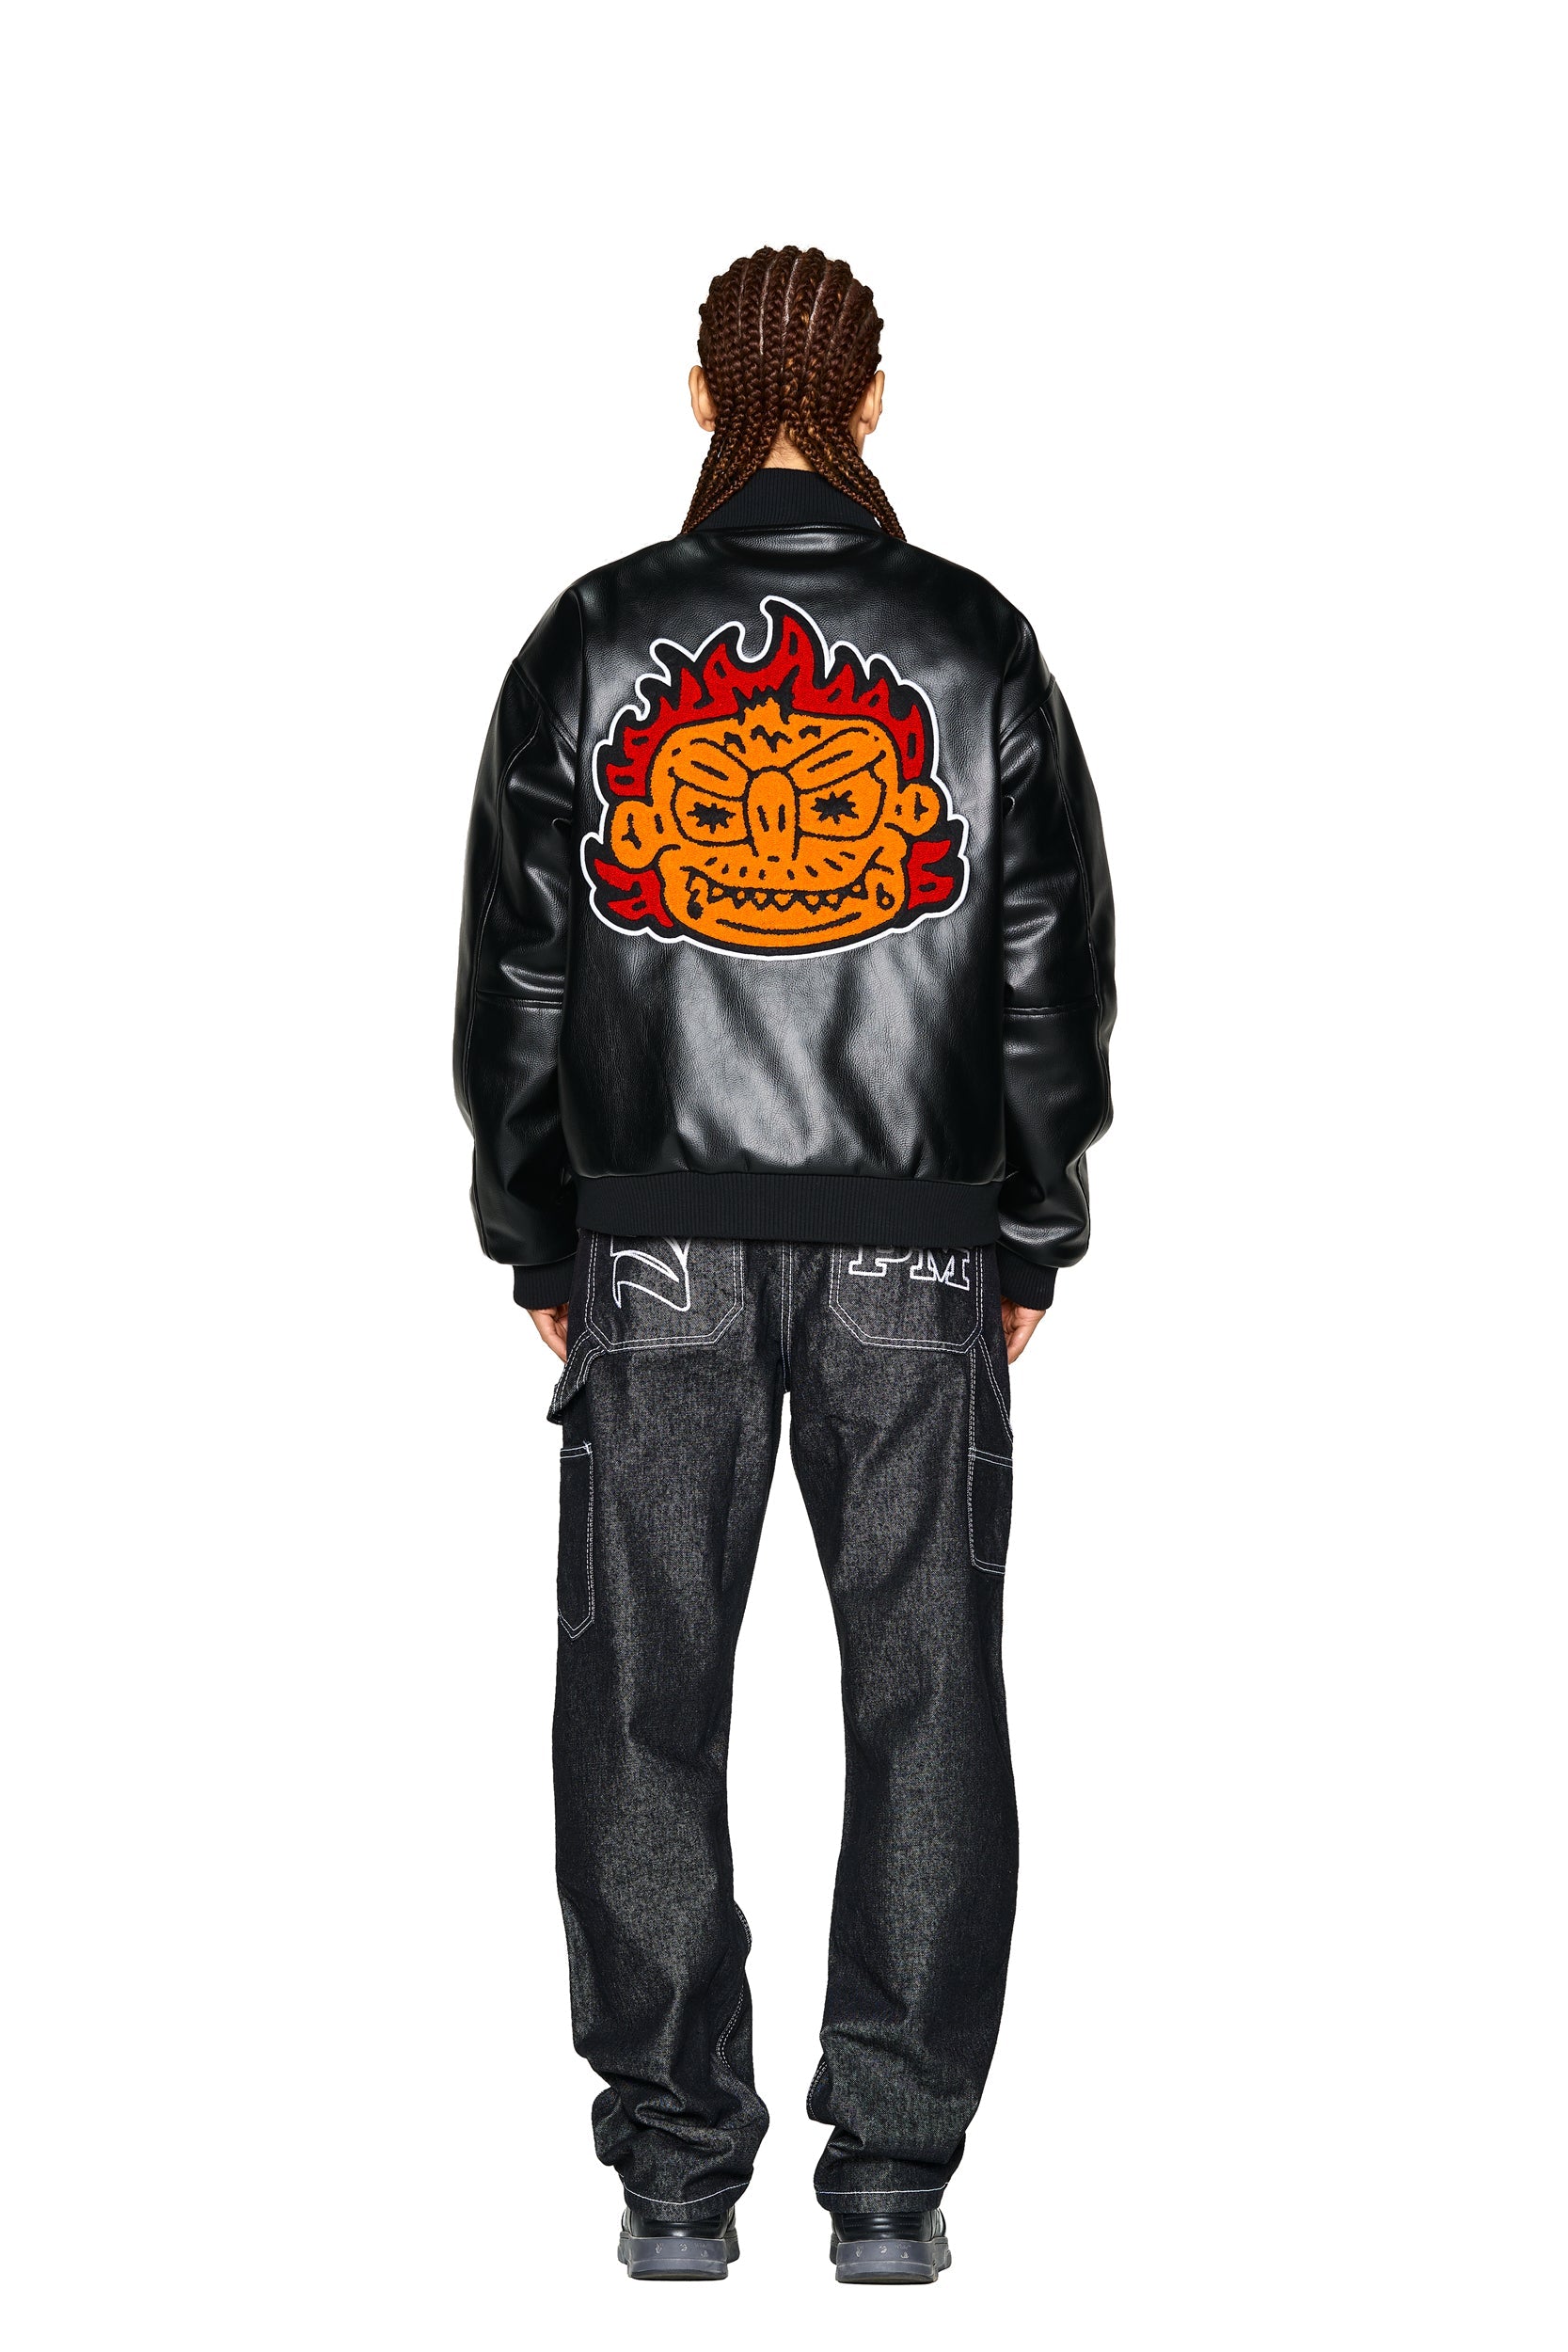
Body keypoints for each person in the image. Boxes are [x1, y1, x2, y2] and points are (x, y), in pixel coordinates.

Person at [452, 245, 1115, 2284]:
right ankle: (893, 2184)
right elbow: (1048, 971)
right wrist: (1029, 1222)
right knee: (929, 1698)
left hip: (653, 1241)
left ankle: (676, 2176)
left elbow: (521, 975)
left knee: (641, 1698)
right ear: (874, 400)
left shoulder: (594, 638)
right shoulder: (973, 644)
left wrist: (538, 1223)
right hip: (917, 1249)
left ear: (701, 396)